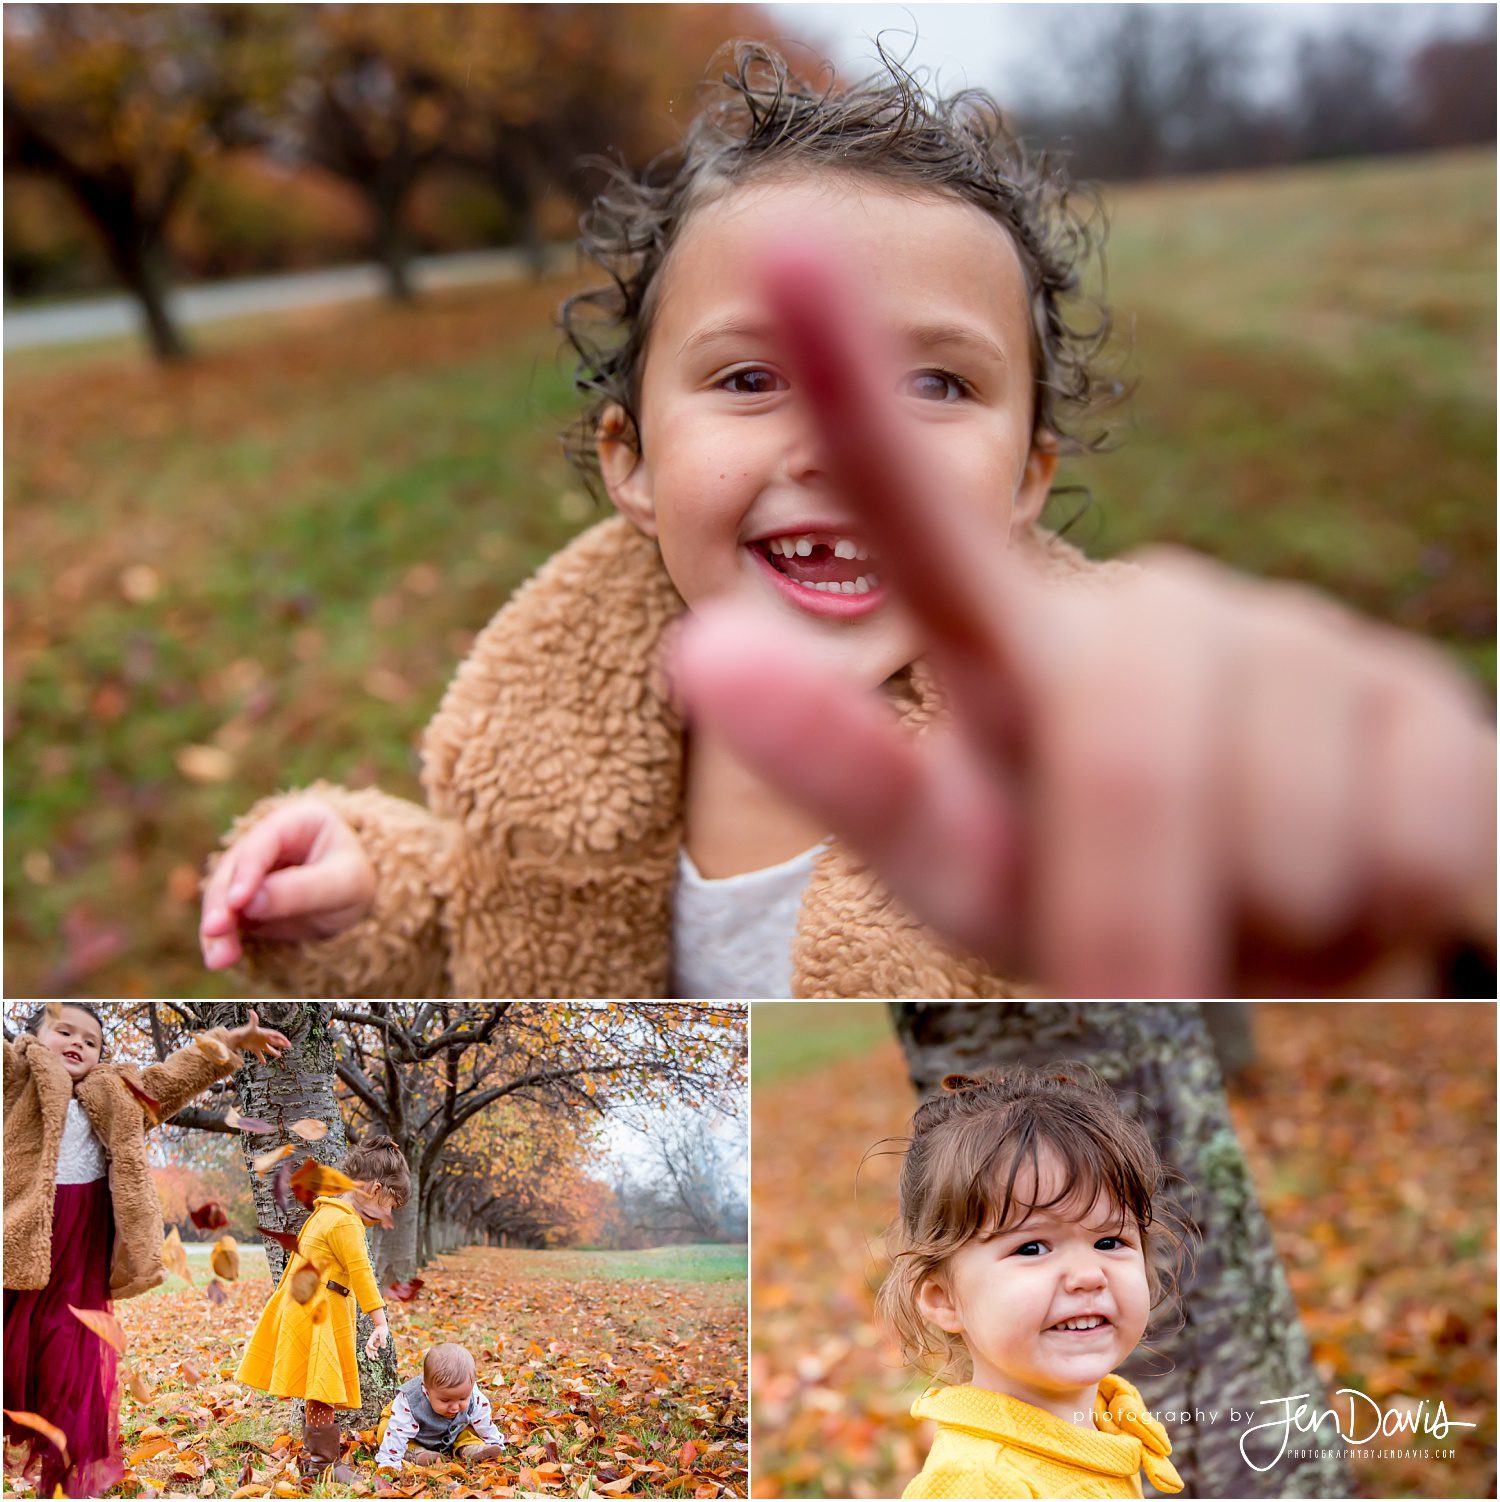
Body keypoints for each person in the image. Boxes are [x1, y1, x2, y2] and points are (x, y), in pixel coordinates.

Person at [198, 42, 1494, 999]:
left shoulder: (1095, 759)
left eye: (936, 383)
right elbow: (488, 918)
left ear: (1028, 477)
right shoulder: (563, 723)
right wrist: (367, 886)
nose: (841, 454)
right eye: (755, 378)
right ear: (631, 462)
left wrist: (1431, 942)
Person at [3, 1003, 289, 1498]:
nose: (76, 1043)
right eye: (63, 1031)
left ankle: (71, 1465)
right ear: (32, 1038)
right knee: (14, 1338)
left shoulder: (115, 1092)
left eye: (90, 1041)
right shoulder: (16, 1076)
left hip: (83, 1240)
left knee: (70, 1347)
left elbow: (174, 1077)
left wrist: (231, 1041)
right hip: (23, 1236)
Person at [881, 1068, 1188, 1499]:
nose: (1087, 1275)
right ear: (944, 1299)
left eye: (1109, 1240)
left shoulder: (1104, 1418)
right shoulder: (980, 1484)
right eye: (1032, 1249)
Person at [236, 1137, 408, 1481]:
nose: (388, 1215)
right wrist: (380, 1322)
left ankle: (316, 1459)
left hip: (313, 1309)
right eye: (389, 1205)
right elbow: (361, 1272)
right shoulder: (345, 1222)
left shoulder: (325, 1212)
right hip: (320, 1314)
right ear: (374, 1189)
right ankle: (323, 1464)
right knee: (324, 1389)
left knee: (320, 1389)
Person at [373, 1342, 505, 1469]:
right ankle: (417, 1453)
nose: (455, 1407)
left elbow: (484, 1423)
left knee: (468, 1429)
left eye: (462, 1399)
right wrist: (389, 1462)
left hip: (452, 1432)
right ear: (427, 1388)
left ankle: (471, 1448)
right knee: (385, 1430)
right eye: (445, 1400)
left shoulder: (474, 1397)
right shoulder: (410, 1401)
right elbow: (398, 1432)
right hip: (414, 1434)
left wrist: (495, 1442)